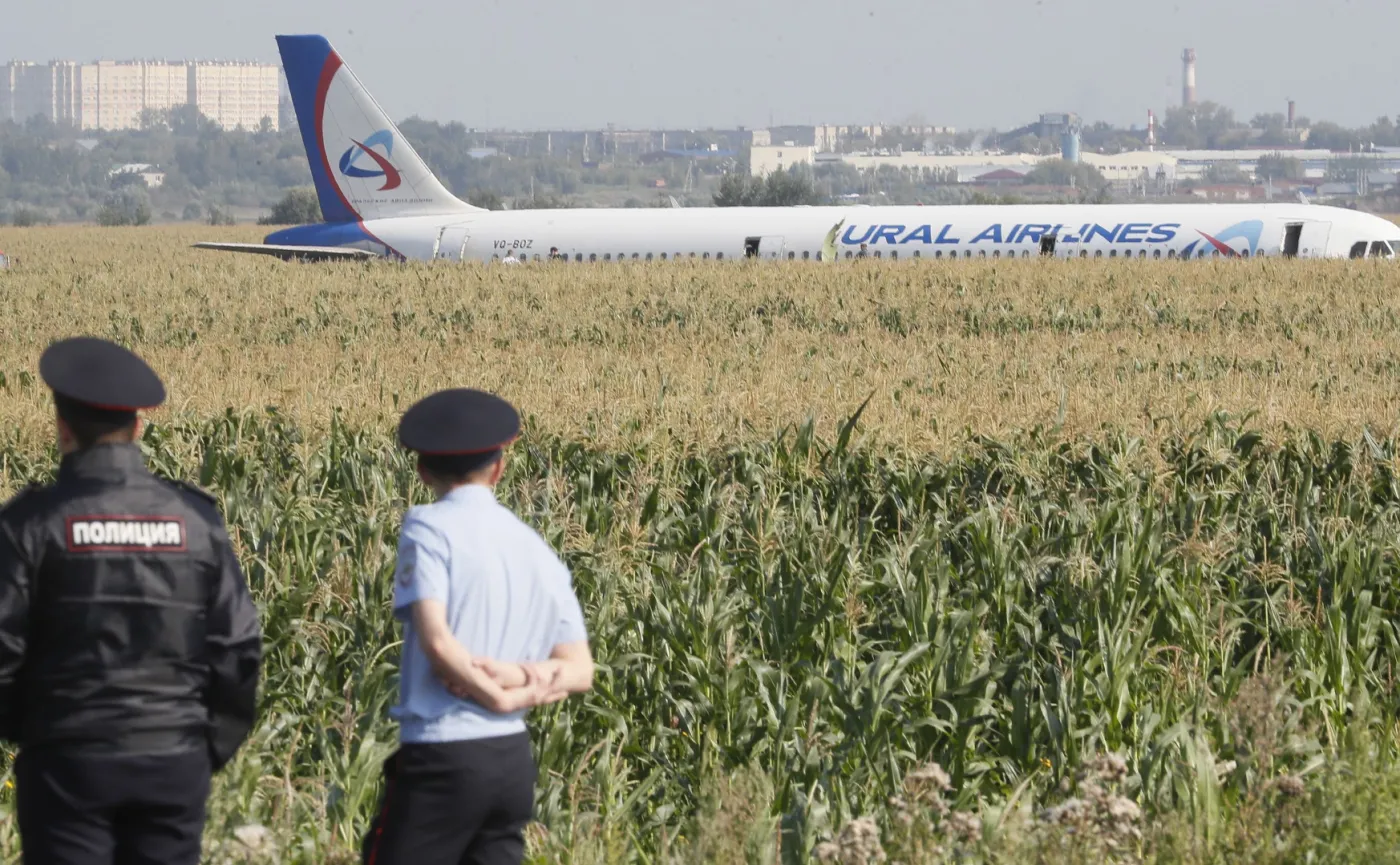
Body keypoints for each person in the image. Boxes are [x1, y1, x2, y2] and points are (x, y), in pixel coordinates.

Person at [0, 336, 262, 864]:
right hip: (172, 759)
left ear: (62, 427)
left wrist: (35, 734)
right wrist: (206, 745)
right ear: (139, 428)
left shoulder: (30, 523)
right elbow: (237, 646)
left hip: (68, 759)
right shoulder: (195, 521)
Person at [362, 388, 594, 865]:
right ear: (498, 468)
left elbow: (437, 641)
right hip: (510, 759)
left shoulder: (428, 527)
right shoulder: (535, 548)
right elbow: (579, 670)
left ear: (423, 470)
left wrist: (494, 693)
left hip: (442, 755)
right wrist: (515, 684)